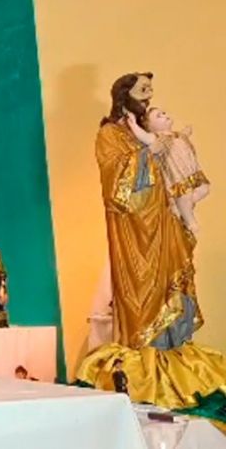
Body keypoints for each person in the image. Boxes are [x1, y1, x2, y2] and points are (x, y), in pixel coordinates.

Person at [76, 72, 226, 415]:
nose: (148, 97)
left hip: (165, 218)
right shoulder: (110, 134)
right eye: (142, 91)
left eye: (150, 91)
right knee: (143, 289)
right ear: (124, 95)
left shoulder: (146, 128)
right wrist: (146, 153)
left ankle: (174, 345)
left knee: (176, 279)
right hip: (135, 230)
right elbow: (115, 183)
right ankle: (146, 354)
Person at [125, 108, 210, 234]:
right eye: (159, 116)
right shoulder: (158, 137)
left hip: (191, 171)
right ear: (150, 127)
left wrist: (186, 132)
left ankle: (180, 205)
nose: (165, 115)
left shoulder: (176, 135)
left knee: (204, 189)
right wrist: (133, 125)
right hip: (177, 175)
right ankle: (190, 220)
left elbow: (182, 137)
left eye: (164, 113)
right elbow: (144, 137)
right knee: (184, 195)